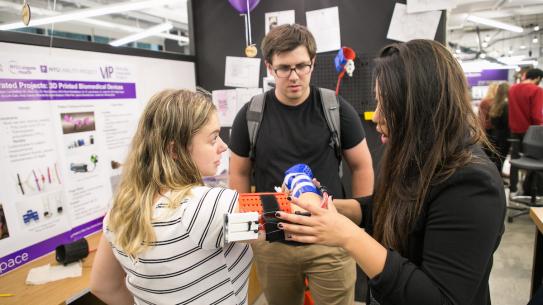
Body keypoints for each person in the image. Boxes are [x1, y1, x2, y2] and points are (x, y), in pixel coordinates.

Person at [276, 39, 506, 305]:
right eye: (377, 102)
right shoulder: (416, 156)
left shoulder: (472, 184)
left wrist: (347, 235)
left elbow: (440, 299)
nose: (376, 117)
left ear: (420, 106)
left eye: (386, 104)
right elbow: (392, 210)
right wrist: (329, 209)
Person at [229, 24, 374, 305]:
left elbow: (362, 166)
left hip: (329, 238)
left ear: (313, 63)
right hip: (273, 242)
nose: (294, 76)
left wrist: (359, 221)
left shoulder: (335, 108)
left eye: (301, 66)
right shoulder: (251, 114)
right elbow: (239, 172)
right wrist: (246, 230)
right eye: (284, 68)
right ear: (270, 67)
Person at [90, 90, 254, 305]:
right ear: (175, 150)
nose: (223, 146)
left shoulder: (119, 211)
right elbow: (289, 219)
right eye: (213, 138)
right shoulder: (208, 206)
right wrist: (301, 184)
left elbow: (103, 286)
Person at [508, 68, 543, 142]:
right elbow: (536, 113)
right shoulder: (536, 90)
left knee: (516, 152)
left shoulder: (512, 88)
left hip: (514, 129)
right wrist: (539, 126)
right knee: (532, 152)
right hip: (530, 130)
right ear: (538, 78)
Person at [488, 82, 510, 172]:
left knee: (496, 158)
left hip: (495, 134)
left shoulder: (494, 105)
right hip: (504, 136)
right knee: (501, 159)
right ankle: (499, 178)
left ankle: (496, 176)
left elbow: (493, 122)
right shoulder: (506, 105)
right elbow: (507, 122)